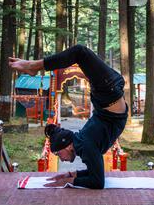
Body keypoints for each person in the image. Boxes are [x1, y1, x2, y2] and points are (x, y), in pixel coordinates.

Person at [9, 44, 128, 189]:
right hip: (108, 94)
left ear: (68, 145)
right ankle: (33, 66)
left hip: (108, 94)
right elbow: (95, 176)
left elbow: (97, 182)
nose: (62, 159)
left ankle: (33, 66)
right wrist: (71, 175)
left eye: (59, 154)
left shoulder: (85, 145)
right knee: (80, 54)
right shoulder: (84, 145)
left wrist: (69, 182)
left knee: (80, 52)